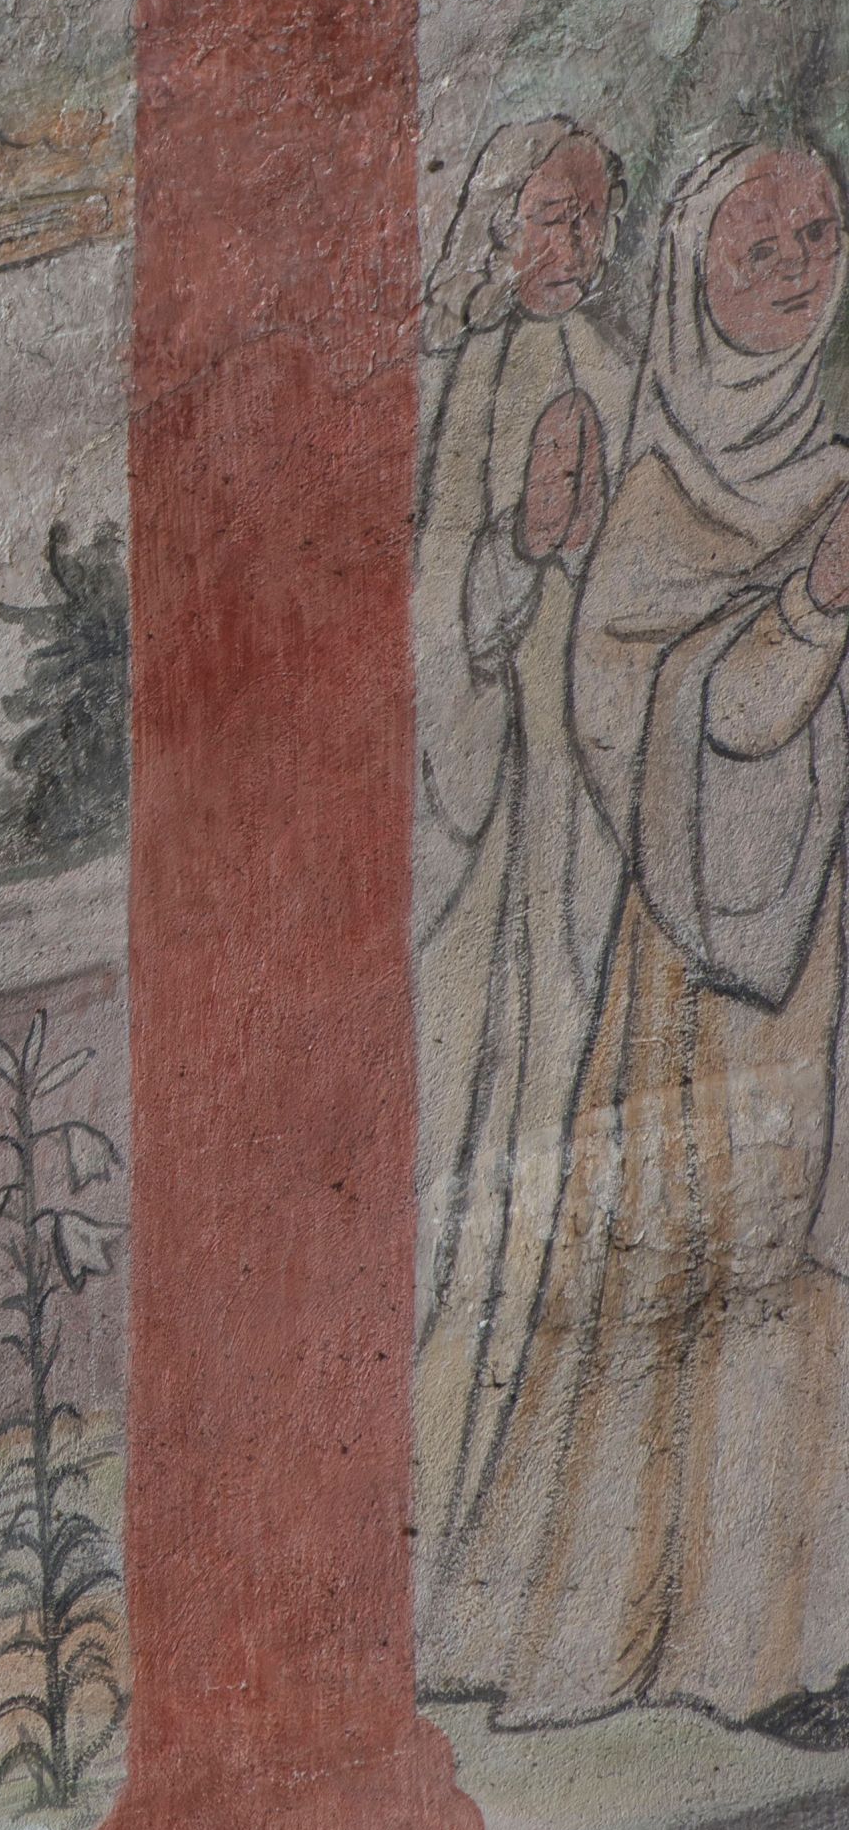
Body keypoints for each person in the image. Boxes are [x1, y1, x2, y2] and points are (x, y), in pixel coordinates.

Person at [422, 145, 849, 1737]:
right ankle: (740, 1651)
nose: (795, 270)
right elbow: (660, 723)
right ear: (693, 278)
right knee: (730, 1278)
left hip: (830, 946)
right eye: (756, 248)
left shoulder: (831, 463)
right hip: (710, 980)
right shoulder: (657, 494)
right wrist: (812, 609)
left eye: (818, 235)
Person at [412, 118, 628, 1583]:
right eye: (550, 218)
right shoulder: (468, 380)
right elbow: (434, 608)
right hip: (497, 819)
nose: (575, 247)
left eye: (593, 220)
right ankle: (452, 1488)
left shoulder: (618, 370)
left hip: (595, 808)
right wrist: (517, 547)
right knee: (483, 1128)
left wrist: (591, 551)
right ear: (494, 228)